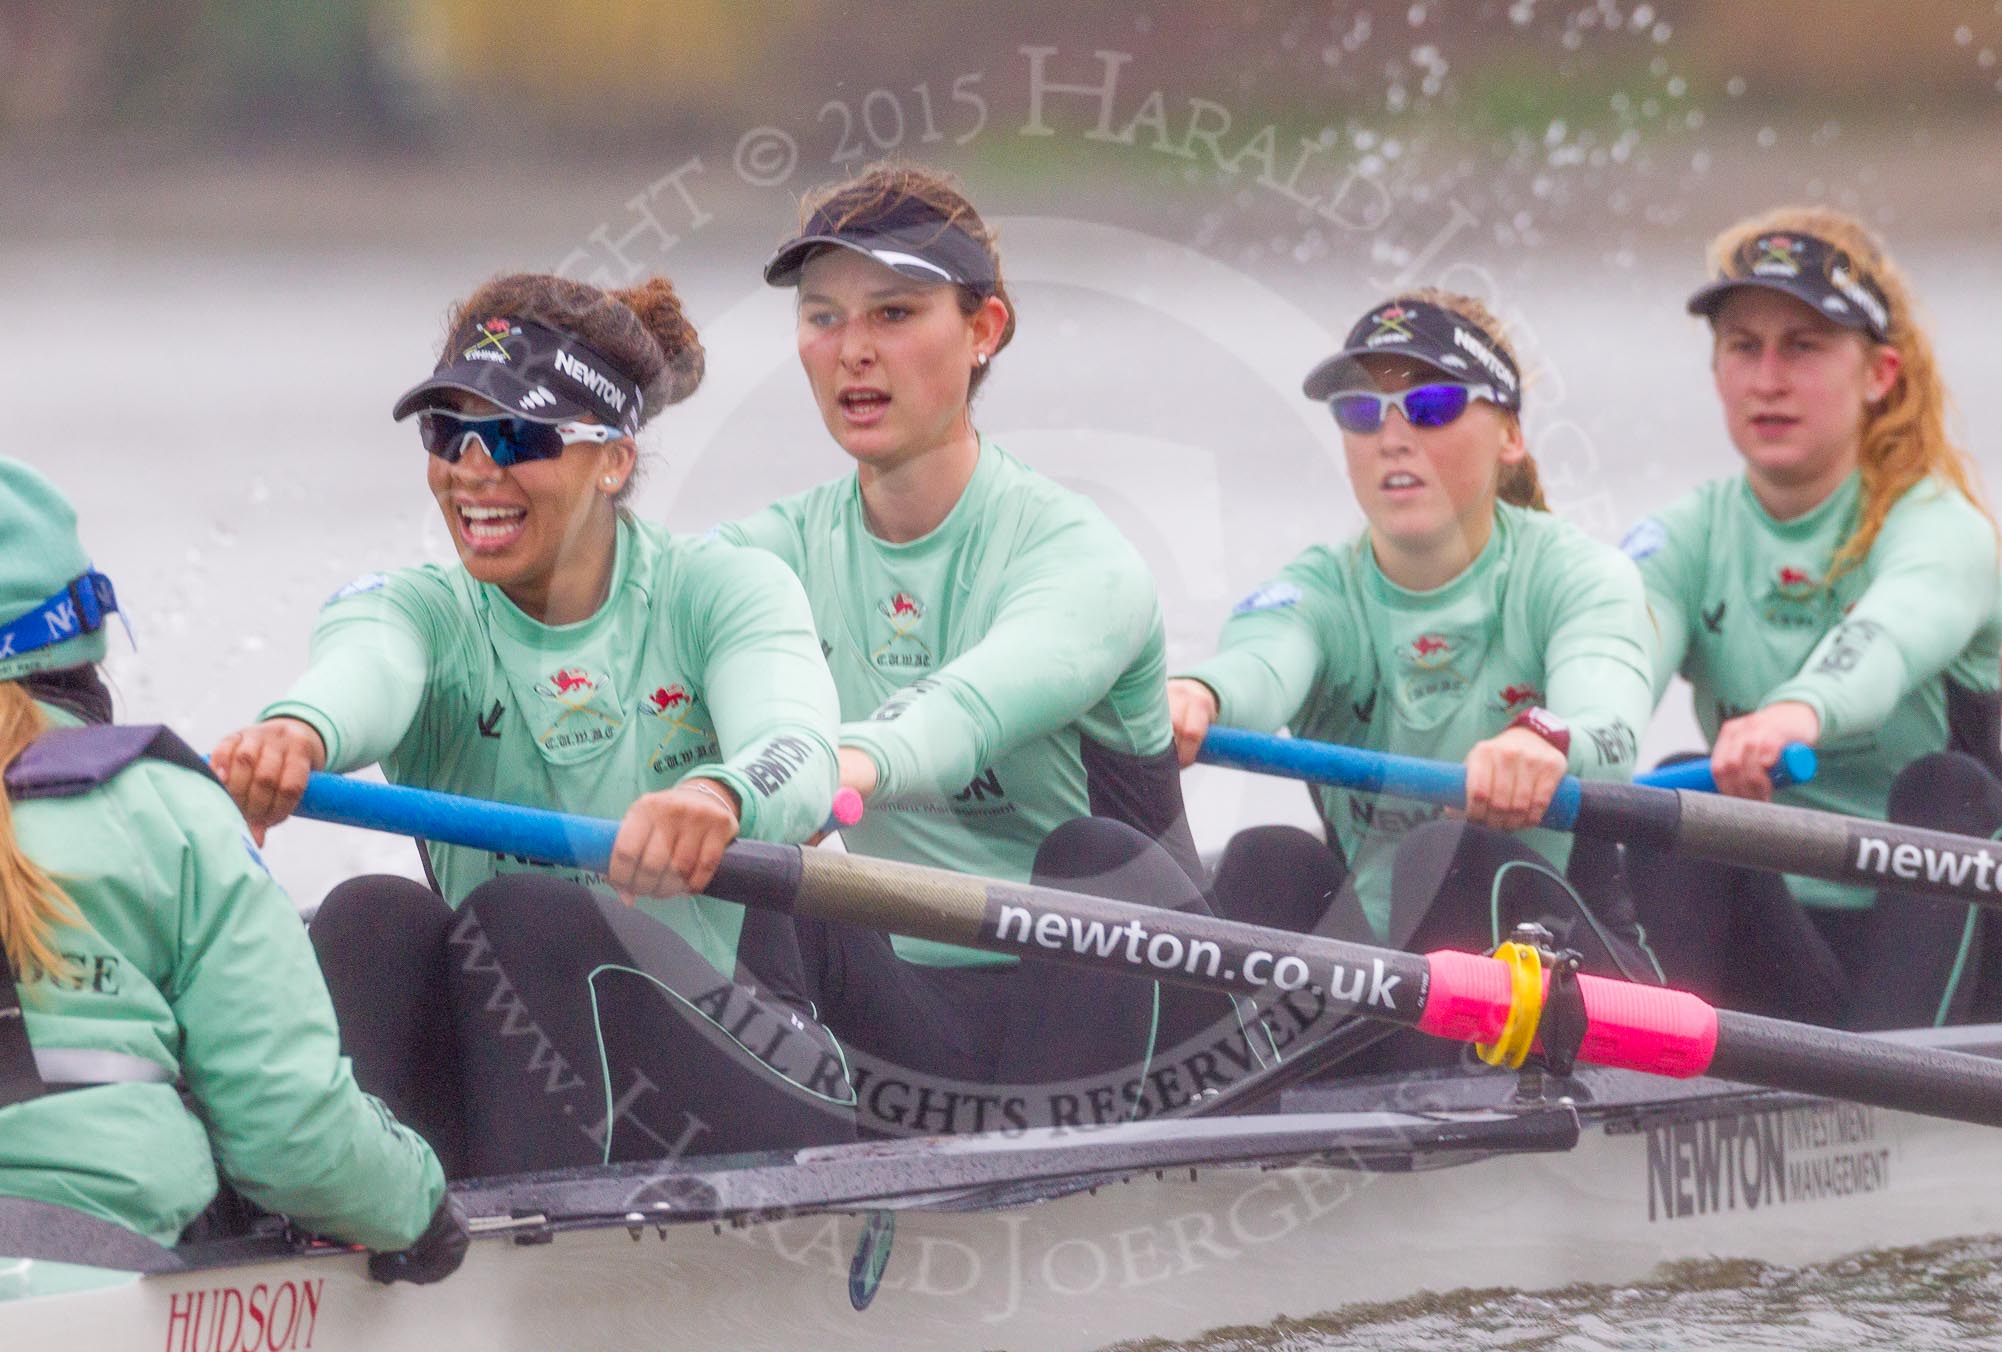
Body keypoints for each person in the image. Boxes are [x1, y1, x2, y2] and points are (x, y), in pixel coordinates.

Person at [212, 273, 856, 1175]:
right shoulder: (418, 613)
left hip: (753, 1070)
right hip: (527, 1072)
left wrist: (719, 794)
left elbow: (798, 747)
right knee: (371, 917)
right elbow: (364, 672)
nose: (475, 468)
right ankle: (340, 1221)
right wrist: (295, 735)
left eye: (518, 434)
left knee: (526, 916)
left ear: (615, 460)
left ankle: (513, 1255)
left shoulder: (722, 592)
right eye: (450, 432)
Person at [716, 163, 1245, 1130]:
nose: (852, 353)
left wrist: (820, 763)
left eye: (894, 313)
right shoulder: (767, 553)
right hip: (917, 1020)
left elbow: (958, 719)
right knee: (765, 865)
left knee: (1092, 854)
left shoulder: (1080, 558)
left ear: (984, 330)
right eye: (823, 316)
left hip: (1143, 1022)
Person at [1168, 290, 1662, 1070]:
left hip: (1572, 986)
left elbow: (1611, 718)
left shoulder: (1576, 576)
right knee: (1265, 859)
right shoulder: (1320, 590)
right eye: (1362, 412)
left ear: (1509, 435)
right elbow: (1260, 666)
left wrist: (1543, 739)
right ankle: (1238, 1121)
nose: (1392, 435)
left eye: (1430, 404)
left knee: (1453, 849)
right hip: (1385, 995)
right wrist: (1197, 697)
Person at [0, 458, 461, 1290]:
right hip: (78, 1287)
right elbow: (295, 1142)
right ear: (83, 633)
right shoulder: (161, 809)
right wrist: (420, 1207)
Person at [1621, 206, 2002, 1028]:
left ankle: (1904, 1094)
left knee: (1946, 788)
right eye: (1744, 347)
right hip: (1795, 950)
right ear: (1717, 373)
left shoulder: (1939, 525)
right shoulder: (1686, 535)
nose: (1768, 378)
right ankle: (1642, 1095)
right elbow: (1613, 654)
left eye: (1802, 347)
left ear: (1878, 374)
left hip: (1966, 959)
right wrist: (1544, 737)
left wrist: (1796, 713)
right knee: (1683, 789)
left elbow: (1888, 634)